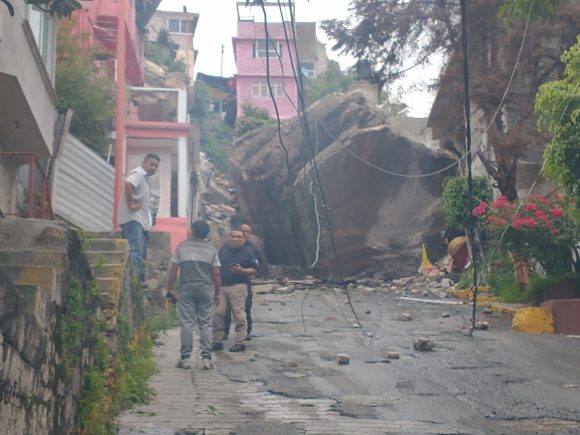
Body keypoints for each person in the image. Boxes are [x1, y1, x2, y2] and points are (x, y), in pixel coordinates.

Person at [164, 219, 221, 369]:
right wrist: (218, 293)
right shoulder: (211, 250)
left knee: (187, 322)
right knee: (205, 323)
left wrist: (169, 288)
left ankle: (185, 357)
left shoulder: (182, 247)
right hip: (206, 289)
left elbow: (173, 270)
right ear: (206, 234)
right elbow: (216, 273)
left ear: (193, 231)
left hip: (187, 288)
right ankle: (206, 359)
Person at [212, 229, 257, 353]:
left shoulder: (248, 252)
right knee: (217, 313)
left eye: (239, 237)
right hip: (222, 287)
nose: (236, 239)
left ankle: (240, 342)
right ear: (229, 237)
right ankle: (217, 341)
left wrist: (242, 271)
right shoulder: (223, 251)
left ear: (243, 239)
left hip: (238, 286)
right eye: (234, 236)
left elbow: (254, 270)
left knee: (238, 314)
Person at [118, 154, 160, 282]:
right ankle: (134, 282)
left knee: (138, 253)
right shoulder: (138, 174)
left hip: (139, 221)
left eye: (156, 166)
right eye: (151, 164)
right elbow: (128, 184)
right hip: (132, 219)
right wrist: (130, 203)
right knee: (134, 250)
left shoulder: (145, 179)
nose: (153, 168)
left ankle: (136, 281)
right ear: (144, 163)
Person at [223, 223, 266, 341]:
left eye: (248, 232)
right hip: (227, 283)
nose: (245, 234)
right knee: (225, 310)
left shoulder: (253, 249)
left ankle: (246, 332)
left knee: (245, 308)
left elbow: (261, 265)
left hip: (244, 282)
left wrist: (254, 274)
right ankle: (224, 332)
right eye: (243, 231)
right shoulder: (226, 248)